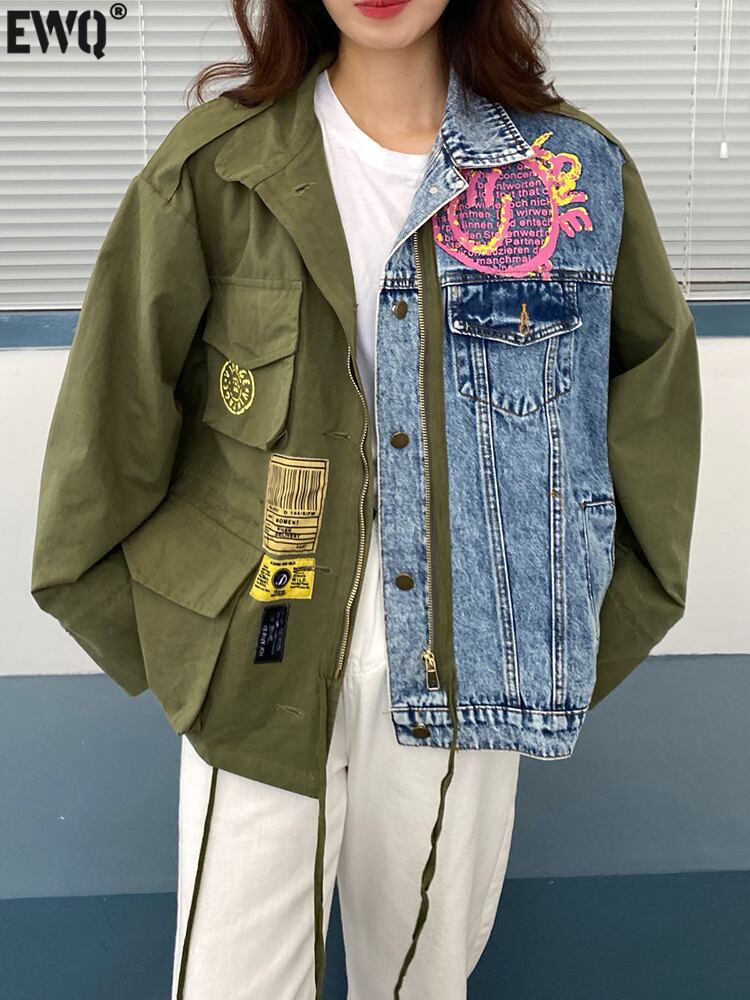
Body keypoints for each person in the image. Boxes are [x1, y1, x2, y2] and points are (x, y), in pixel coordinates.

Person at [30, 0, 702, 997]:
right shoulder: (218, 169)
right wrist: (183, 648)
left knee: (420, 981)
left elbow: (649, 407)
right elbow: (113, 418)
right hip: (259, 644)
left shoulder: (568, 175)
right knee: (230, 981)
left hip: (469, 654)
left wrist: (555, 642)